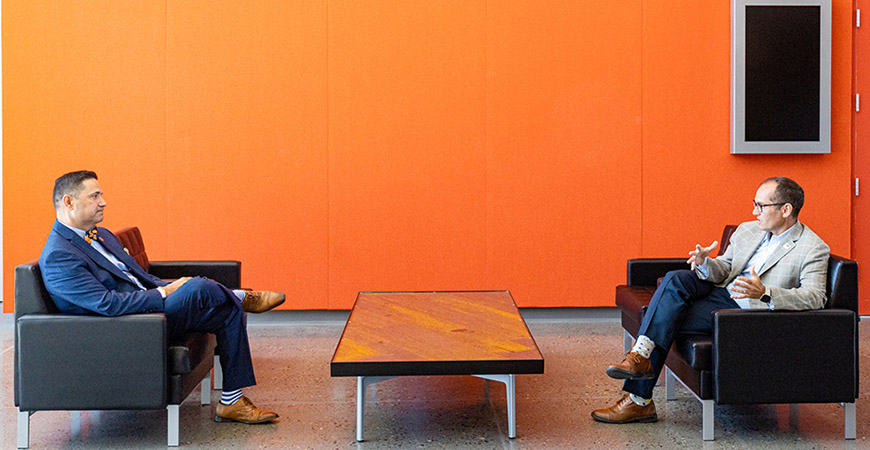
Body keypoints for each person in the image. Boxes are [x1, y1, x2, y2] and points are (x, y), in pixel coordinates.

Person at [39, 170, 285, 424]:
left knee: (226, 310)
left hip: (149, 311)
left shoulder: (101, 235)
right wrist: (163, 293)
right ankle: (241, 295)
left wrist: (168, 287)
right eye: (94, 196)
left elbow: (140, 278)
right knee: (198, 287)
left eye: (101, 194)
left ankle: (232, 402)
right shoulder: (60, 255)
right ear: (68, 202)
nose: (103, 202)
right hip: (130, 327)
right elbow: (107, 304)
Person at [591, 176, 829, 424]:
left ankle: (639, 398)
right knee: (676, 278)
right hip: (720, 292)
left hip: (744, 310)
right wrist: (706, 263)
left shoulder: (812, 247)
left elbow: (815, 297)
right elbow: (725, 269)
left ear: (786, 209)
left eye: (761, 206)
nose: (754, 211)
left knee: (665, 315)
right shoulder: (748, 230)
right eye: (754, 204)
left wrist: (765, 293)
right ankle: (639, 360)